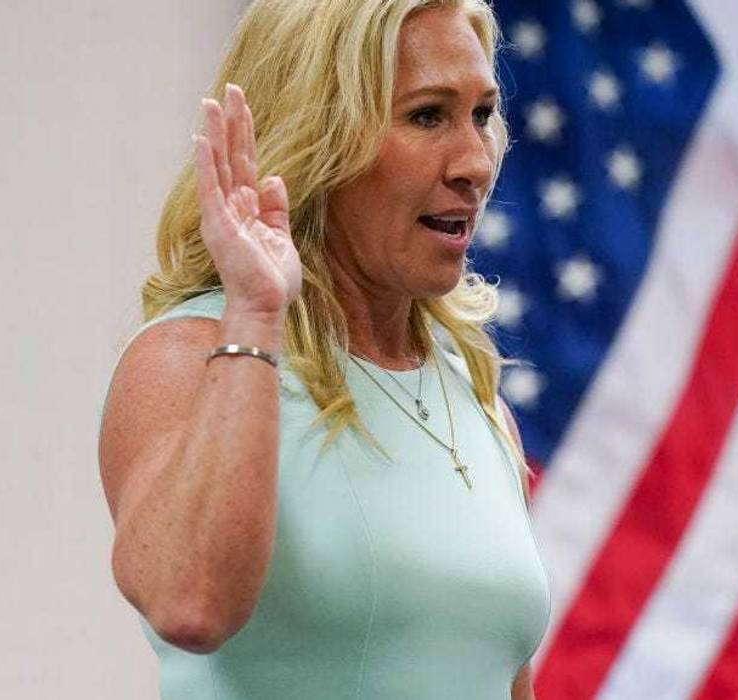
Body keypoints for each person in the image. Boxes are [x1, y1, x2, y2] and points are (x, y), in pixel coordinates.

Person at [98, 0, 549, 697]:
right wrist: (254, 313)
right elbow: (189, 606)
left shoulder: (476, 399)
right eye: (428, 115)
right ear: (321, 136)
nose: (474, 162)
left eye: (482, 114)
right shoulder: (192, 355)